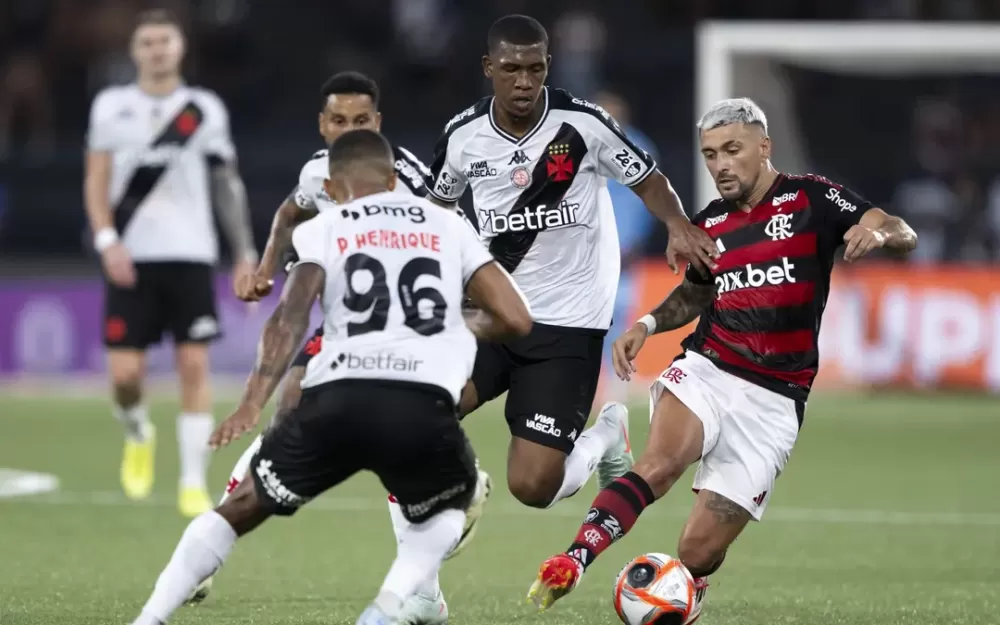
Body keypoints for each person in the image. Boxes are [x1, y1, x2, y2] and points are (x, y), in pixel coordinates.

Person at [527, 97, 918, 622]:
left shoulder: (812, 199)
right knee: (663, 462)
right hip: (710, 366)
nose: (720, 165)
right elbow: (694, 294)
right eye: (710, 154)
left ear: (763, 147)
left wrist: (881, 232)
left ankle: (691, 585)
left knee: (698, 552)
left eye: (732, 150)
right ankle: (573, 560)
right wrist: (645, 325)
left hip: (776, 399)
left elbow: (898, 228)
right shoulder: (707, 223)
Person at [128, 129, 533, 625]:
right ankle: (385, 609)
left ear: (334, 189)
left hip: (338, 398)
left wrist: (254, 401)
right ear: (392, 179)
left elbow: (290, 316)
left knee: (239, 508)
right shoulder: (448, 224)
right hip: (420, 406)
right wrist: (451, 323)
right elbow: (516, 318)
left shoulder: (325, 225)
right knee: (453, 506)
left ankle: (148, 619)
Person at [398, 14, 719, 622]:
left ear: (548, 67)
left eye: (536, 68)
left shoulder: (583, 125)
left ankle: (603, 438)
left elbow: (648, 179)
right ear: (489, 69)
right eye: (512, 68)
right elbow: (435, 211)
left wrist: (678, 224)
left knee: (533, 487)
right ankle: (421, 589)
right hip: (492, 312)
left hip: (568, 325)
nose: (525, 81)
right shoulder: (464, 136)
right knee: (414, 412)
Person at [191, 72, 490, 616]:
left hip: (411, 340)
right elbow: (289, 212)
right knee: (296, 412)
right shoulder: (318, 173)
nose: (348, 129)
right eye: (338, 121)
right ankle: (426, 586)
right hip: (348, 335)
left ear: (378, 124)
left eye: (360, 120)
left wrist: (459, 328)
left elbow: (465, 251)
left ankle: (455, 503)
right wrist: (264, 267)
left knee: (372, 442)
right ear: (322, 124)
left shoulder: (413, 182)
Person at [83, 9, 256, 518]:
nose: (157, 50)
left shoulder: (202, 109)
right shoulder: (112, 107)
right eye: (147, 42)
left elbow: (227, 184)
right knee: (126, 377)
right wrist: (107, 239)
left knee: (193, 365)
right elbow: (96, 179)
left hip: (190, 252)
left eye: (165, 41)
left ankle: (189, 481)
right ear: (135, 51)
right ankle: (138, 432)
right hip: (130, 258)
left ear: (180, 49)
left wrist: (243, 250)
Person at [593, 90, 660, 404]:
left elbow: (650, 202)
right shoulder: (581, 147)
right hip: (591, 251)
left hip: (626, 254)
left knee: (621, 315)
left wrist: (634, 242)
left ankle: (616, 380)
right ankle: (593, 378)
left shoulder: (640, 148)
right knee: (590, 317)